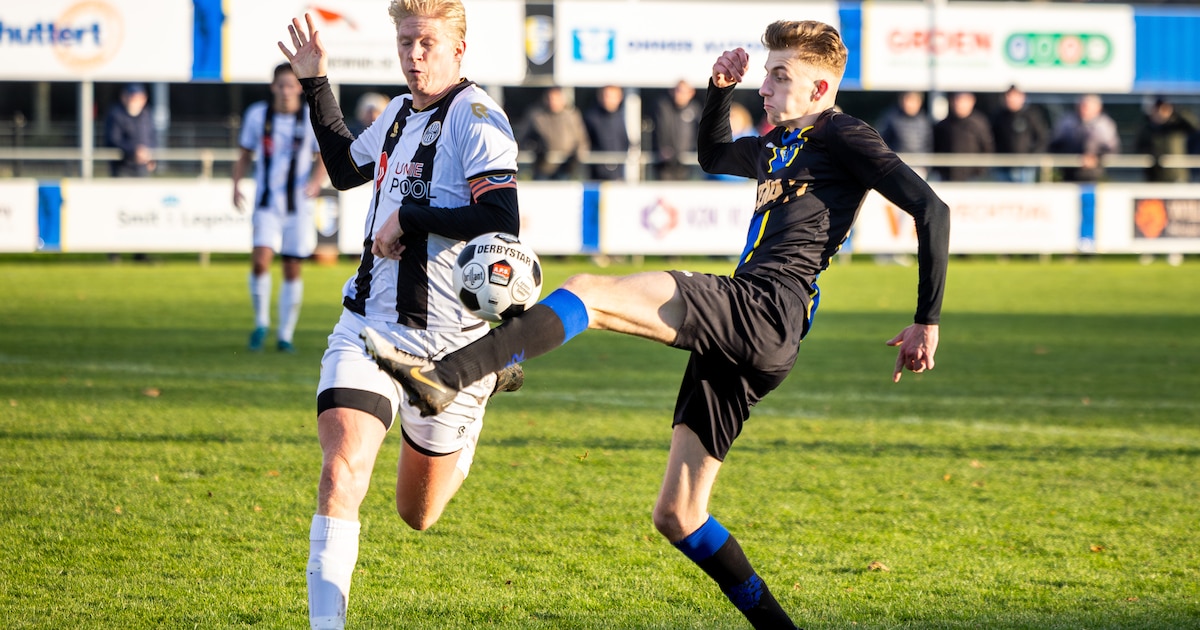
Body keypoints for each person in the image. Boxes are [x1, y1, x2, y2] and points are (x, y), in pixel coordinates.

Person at [362, 19, 949, 630]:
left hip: (765, 307)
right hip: (758, 335)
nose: (766, 88)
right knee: (678, 515)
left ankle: (452, 374)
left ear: (823, 87)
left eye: (780, 77)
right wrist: (720, 91)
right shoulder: (781, 143)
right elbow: (713, 154)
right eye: (767, 75)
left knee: (590, 292)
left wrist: (925, 321)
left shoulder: (846, 135)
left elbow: (932, 208)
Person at [277, 4, 524, 628]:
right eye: (406, 41)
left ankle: (485, 379)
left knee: (418, 513)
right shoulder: (392, 113)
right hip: (366, 327)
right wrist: (316, 82)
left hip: (446, 350)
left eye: (428, 43)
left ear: (459, 48)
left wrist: (412, 218)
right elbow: (342, 169)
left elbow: (502, 219)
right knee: (341, 467)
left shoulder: (478, 119)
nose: (414, 55)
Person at [232, 62, 328, 353]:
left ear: (299, 87)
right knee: (260, 258)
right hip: (266, 202)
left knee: (291, 266)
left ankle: (285, 334)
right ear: (273, 87)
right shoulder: (258, 115)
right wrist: (235, 184)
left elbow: (324, 155)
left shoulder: (310, 117)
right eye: (281, 85)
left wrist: (315, 182)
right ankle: (261, 323)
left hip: (298, 205)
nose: (286, 91)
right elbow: (244, 154)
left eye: (291, 85)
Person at [516, 85, 590, 180]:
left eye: (556, 99)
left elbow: (582, 139)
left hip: (565, 167)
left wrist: (576, 160)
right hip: (542, 167)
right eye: (550, 98)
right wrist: (534, 148)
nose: (553, 102)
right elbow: (523, 139)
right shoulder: (536, 116)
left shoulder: (572, 116)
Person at [1049, 93, 1120, 183]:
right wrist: (1075, 157)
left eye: (1087, 106)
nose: (1084, 109)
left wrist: (1095, 159)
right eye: (1082, 105)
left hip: (1094, 174)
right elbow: (1055, 145)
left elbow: (1112, 150)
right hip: (1068, 171)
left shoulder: (1105, 125)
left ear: (1098, 108)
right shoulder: (1067, 122)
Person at [991, 85, 1049, 183]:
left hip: (1025, 167)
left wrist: (1031, 156)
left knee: (1024, 196)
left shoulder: (1031, 115)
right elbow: (993, 139)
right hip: (1004, 166)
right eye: (1008, 96)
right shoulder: (999, 116)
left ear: (1022, 97)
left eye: (1014, 96)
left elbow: (1042, 137)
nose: (1011, 99)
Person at [932, 91, 993, 182]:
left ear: (972, 102)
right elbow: (936, 147)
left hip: (972, 177)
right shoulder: (943, 125)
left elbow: (987, 147)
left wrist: (980, 171)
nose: (959, 104)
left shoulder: (979, 123)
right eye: (957, 100)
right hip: (948, 176)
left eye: (963, 101)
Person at [1135, 96, 1198, 183]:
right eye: (1157, 109)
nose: (1160, 112)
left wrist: (1175, 111)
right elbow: (1139, 149)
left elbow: (1194, 126)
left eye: (1164, 109)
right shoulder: (1146, 129)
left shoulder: (1177, 125)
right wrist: (1153, 157)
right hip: (1154, 178)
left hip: (1177, 177)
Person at [651, 79, 702, 180]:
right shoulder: (663, 107)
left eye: (684, 92)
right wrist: (664, 149)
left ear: (691, 93)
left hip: (687, 164)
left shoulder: (695, 110)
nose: (680, 95)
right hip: (664, 164)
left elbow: (700, 134)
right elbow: (660, 131)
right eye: (678, 91)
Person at [104, 83, 157, 178]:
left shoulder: (147, 115)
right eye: (132, 97)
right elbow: (113, 140)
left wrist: (151, 156)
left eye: (138, 97)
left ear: (144, 99)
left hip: (143, 168)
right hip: (123, 169)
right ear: (124, 97)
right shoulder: (116, 115)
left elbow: (152, 137)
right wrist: (133, 151)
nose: (134, 101)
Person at [582, 84, 630, 181]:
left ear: (620, 98)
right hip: (596, 175)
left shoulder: (621, 117)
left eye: (613, 96)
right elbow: (585, 143)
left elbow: (624, 142)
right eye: (607, 96)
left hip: (617, 174)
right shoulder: (591, 117)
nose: (609, 100)